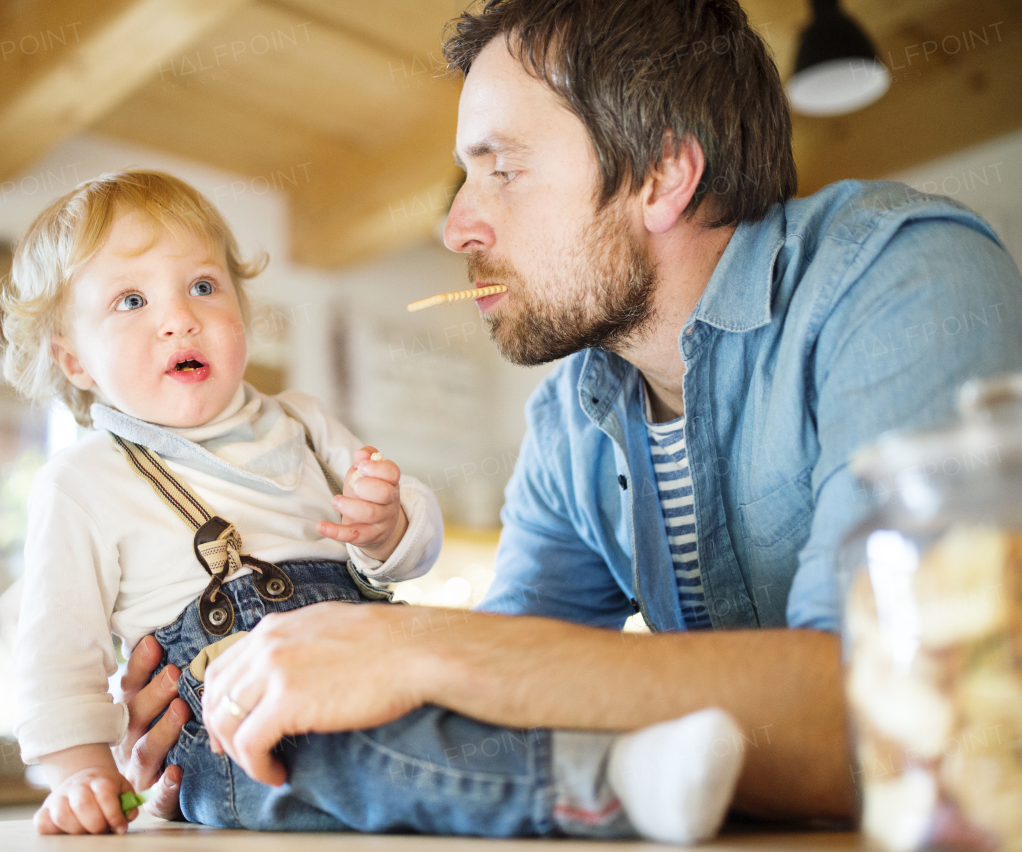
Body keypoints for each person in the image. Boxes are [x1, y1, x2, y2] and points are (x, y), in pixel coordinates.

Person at [114, 0, 1022, 831]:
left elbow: (898, 716)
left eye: (502, 170)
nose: (457, 227)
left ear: (664, 172)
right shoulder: (572, 417)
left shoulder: (906, 282)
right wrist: (228, 725)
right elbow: (501, 713)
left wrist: (427, 643)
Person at [2, 169, 749, 842]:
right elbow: (56, 657)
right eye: (131, 301)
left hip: (361, 651)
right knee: (372, 754)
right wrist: (81, 773)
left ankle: (646, 750)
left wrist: (387, 524)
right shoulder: (84, 481)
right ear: (73, 359)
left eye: (202, 286)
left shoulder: (298, 419)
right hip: (240, 730)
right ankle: (610, 784)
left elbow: (408, 548)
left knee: (471, 704)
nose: (179, 318)